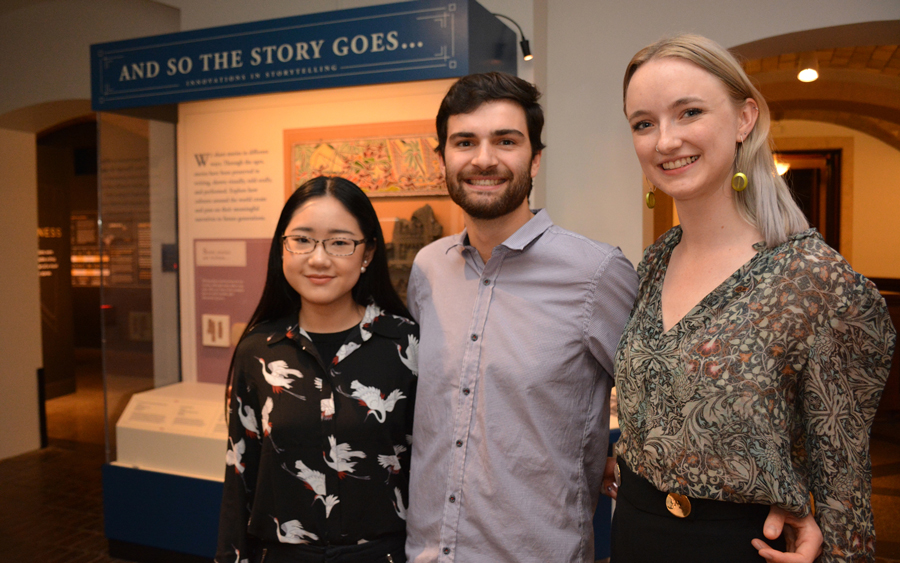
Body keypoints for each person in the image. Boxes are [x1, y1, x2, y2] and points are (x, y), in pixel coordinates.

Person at [609, 34, 896, 563]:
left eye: (689, 112)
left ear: (745, 119)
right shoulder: (654, 263)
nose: (665, 140)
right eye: (643, 123)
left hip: (738, 546)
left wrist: (822, 529)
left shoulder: (811, 277)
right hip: (635, 532)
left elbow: (844, 477)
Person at [404, 71, 640, 562]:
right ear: (442, 159)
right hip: (427, 552)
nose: (483, 158)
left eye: (505, 141)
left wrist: (611, 455)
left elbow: (658, 403)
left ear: (534, 159)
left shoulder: (596, 273)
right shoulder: (427, 268)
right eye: (464, 141)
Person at [215, 176, 418, 563]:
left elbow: (431, 470)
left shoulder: (406, 346)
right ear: (282, 249)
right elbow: (240, 474)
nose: (318, 258)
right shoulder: (258, 350)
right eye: (303, 240)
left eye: (340, 242)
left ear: (368, 252)